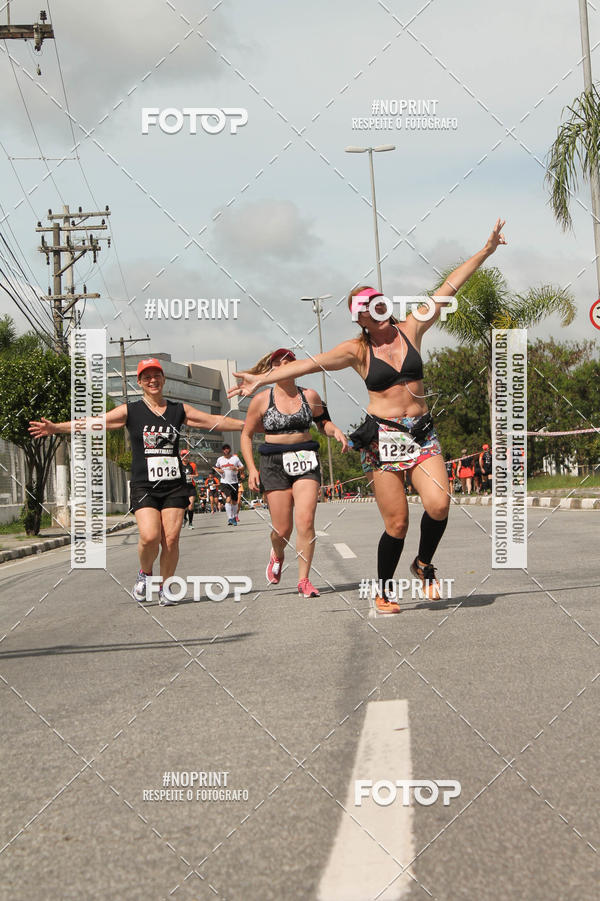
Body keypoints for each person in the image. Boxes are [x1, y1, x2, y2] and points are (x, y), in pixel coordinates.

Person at [229, 220, 506, 613]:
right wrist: (259, 380)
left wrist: (485, 250)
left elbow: (447, 289)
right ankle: (384, 590)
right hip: (385, 438)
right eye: (366, 309)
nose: (376, 312)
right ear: (359, 318)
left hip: (421, 433)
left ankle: (423, 564)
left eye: (378, 303)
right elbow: (305, 366)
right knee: (397, 524)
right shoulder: (355, 351)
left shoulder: (411, 328)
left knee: (439, 505)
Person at [29, 357, 243, 606]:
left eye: (157, 375)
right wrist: (57, 428)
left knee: (171, 539)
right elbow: (95, 422)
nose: (153, 380)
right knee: (150, 537)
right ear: (140, 382)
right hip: (144, 486)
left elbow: (214, 421)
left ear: (163, 379)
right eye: (147, 377)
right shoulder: (131, 411)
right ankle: (145, 573)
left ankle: (166, 588)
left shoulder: (178, 410)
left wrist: (246, 424)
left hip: (174, 484)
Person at [239, 347, 348, 598]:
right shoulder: (261, 400)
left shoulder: (309, 395)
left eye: (289, 361)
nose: (284, 364)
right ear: (271, 369)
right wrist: (252, 468)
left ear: (297, 367)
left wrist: (335, 431)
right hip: (273, 463)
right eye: (278, 362)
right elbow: (246, 435)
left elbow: (323, 423)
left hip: (306, 459)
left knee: (306, 521)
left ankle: (304, 580)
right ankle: (277, 553)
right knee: (282, 530)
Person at [215, 443, 244, 525]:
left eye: (227, 448)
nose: (226, 450)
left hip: (234, 482)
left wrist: (236, 468)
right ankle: (230, 518)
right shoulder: (220, 459)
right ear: (222, 450)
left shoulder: (235, 458)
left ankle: (234, 516)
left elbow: (242, 467)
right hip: (224, 482)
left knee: (235, 501)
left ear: (230, 449)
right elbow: (215, 468)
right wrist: (219, 470)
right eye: (224, 449)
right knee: (228, 498)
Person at [181, 449, 198, 528]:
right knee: (184, 506)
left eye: (187, 456)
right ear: (181, 456)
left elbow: (196, 474)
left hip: (191, 487)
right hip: (182, 487)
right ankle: (185, 518)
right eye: (184, 455)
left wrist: (192, 476)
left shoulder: (193, 465)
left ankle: (190, 523)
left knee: (190, 505)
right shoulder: (178, 465)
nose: (186, 457)